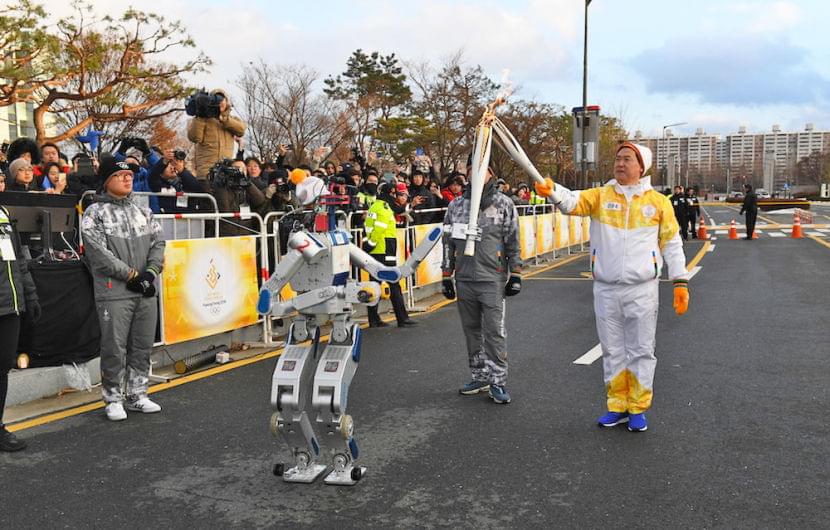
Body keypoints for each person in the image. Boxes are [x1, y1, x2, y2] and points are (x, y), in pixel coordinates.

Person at [534, 142, 689, 432]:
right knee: (612, 349)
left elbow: (672, 243)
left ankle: (638, 408)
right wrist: (552, 191)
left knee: (641, 350)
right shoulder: (601, 196)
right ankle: (617, 405)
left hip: (642, 289)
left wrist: (680, 281)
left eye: (627, 159)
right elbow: (571, 202)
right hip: (605, 289)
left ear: (641, 166)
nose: (620, 163)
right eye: (617, 158)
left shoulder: (658, 203)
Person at [81, 155, 165, 421]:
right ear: (107, 180)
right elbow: (98, 253)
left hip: (144, 289)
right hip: (114, 291)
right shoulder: (94, 212)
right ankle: (113, 397)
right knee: (114, 347)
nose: (128, 177)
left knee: (142, 345)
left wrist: (150, 274)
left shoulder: (143, 210)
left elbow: (158, 243)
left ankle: (138, 394)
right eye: (120, 175)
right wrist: (131, 275)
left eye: (130, 174)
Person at [441, 165, 521, 405]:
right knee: (471, 330)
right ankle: (480, 376)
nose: (475, 173)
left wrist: (515, 273)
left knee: (494, 332)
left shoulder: (504, 203)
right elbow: (447, 242)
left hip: (492, 277)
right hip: (464, 278)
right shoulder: (456, 205)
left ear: (491, 174)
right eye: (471, 169)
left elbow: (513, 239)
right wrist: (446, 275)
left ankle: (498, 381)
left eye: (481, 169)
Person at [0, 203, 40, 451]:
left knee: (1, 370)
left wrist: (31, 295)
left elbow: (19, 262)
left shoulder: (3, 212)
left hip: (9, 307)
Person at [364, 182, 417, 328]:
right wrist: (372, 243)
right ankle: (402, 318)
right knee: (394, 283)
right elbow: (379, 229)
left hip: (376, 250)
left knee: (374, 285)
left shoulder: (374, 206)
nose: (395, 197)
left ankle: (373, 319)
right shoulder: (384, 208)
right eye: (394, 194)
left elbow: (370, 227)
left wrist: (369, 244)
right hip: (384, 250)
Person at [187, 88, 247, 187]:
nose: (219, 102)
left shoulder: (231, 119)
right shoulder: (202, 120)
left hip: (225, 173)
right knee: (208, 201)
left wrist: (223, 118)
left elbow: (241, 130)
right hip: (206, 173)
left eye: (221, 99)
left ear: (227, 101)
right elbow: (195, 138)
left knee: (223, 202)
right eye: (216, 99)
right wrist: (201, 115)